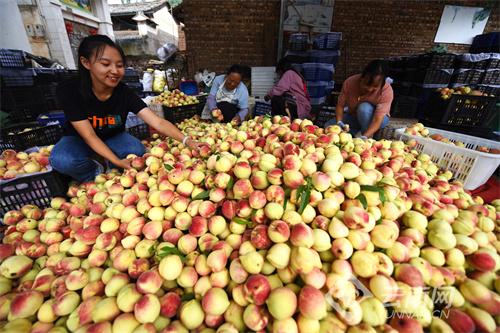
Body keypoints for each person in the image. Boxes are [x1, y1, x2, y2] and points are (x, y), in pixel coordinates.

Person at [50, 34, 200, 182]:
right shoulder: (70, 90)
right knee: (62, 160)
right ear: (86, 62)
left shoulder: (124, 93)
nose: (115, 71)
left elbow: (157, 122)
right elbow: (89, 136)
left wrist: (187, 140)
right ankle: (95, 172)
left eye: (119, 65)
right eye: (105, 64)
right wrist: (117, 161)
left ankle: (108, 164)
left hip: (113, 135)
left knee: (137, 152)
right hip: (78, 138)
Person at [325, 60, 393, 138]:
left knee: (364, 108)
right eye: (367, 85)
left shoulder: (386, 90)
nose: (370, 89)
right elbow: (340, 105)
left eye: (375, 87)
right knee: (329, 126)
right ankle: (353, 134)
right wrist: (339, 122)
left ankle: (367, 135)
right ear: (361, 77)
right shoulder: (350, 82)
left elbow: (377, 119)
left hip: (378, 120)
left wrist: (364, 137)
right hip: (355, 117)